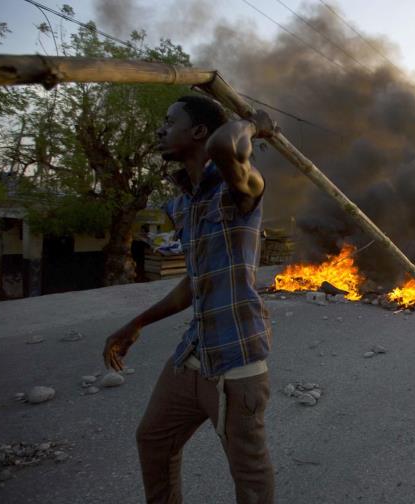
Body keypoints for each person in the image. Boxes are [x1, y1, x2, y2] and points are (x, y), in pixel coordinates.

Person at [102, 95, 277, 503]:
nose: (160, 130)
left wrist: (254, 123)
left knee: (249, 475)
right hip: (193, 356)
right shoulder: (184, 205)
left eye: (169, 121)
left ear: (198, 131)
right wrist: (137, 323)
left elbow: (223, 146)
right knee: (154, 440)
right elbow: (193, 283)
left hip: (236, 361)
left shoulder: (241, 189)